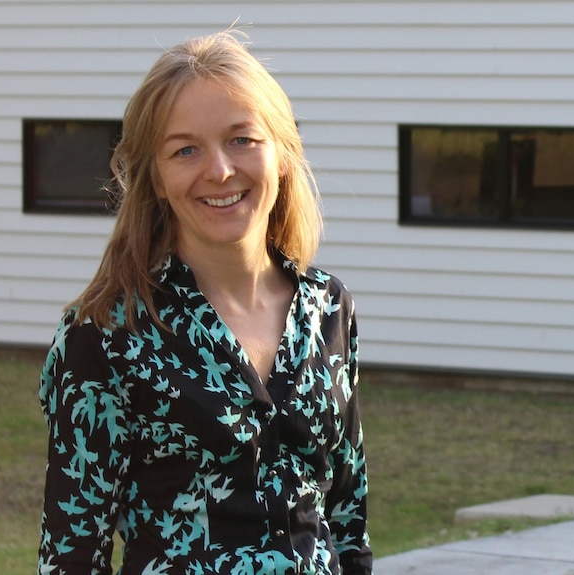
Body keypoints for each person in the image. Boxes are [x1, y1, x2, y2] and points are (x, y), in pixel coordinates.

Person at [37, 28, 373, 575]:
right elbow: (72, 553)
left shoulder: (328, 307)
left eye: (242, 139)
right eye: (185, 149)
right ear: (158, 179)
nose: (218, 170)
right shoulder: (105, 333)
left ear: (282, 154)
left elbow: (348, 518)